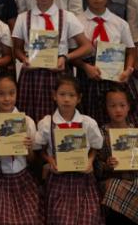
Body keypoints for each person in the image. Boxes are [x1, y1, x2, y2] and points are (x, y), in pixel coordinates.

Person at [12, 0, 93, 122]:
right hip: (32, 76)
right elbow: (16, 49)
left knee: (62, 119)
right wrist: (24, 59)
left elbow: (87, 46)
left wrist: (65, 58)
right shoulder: (23, 18)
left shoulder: (67, 16)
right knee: (31, 119)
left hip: (59, 74)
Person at [33, 75, 105, 225]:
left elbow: (96, 146)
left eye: (71, 95)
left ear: (79, 98)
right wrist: (50, 160)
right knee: (60, 218)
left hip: (83, 179)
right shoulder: (47, 123)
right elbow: (39, 148)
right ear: (54, 96)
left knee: (89, 217)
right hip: (58, 180)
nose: (66, 99)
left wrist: (90, 160)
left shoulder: (88, 123)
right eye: (62, 94)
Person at [74, 0, 138, 128]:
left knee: (121, 120)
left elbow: (131, 50)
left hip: (117, 78)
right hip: (90, 77)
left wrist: (128, 70)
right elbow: (71, 53)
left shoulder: (120, 23)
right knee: (93, 121)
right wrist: (85, 67)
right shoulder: (77, 21)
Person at [0, 72, 41, 225]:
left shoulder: (27, 121)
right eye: (1, 94)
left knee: (30, 220)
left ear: (17, 93)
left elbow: (32, 161)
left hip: (24, 181)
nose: (7, 98)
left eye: (12, 93)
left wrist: (28, 148)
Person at [96, 89, 138, 225]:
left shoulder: (136, 133)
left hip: (134, 177)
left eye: (122, 105)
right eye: (112, 106)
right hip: (111, 177)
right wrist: (106, 165)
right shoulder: (101, 133)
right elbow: (97, 163)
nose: (118, 110)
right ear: (106, 108)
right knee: (112, 186)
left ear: (128, 107)